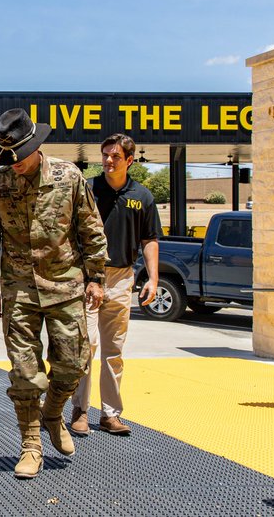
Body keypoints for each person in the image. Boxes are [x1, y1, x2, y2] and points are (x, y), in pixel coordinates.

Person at [0, 108, 107, 479]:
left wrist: (96, 278)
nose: (13, 163)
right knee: (25, 372)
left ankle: (53, 414)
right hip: (18, 290)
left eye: (19, 155)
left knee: (72, 366)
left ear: (36, 147)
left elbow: (91, 229)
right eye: (8, 157)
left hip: (65, 286)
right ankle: (31, 444)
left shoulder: (69, 177)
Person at [70, 133, 161, 437]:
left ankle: (110, 414)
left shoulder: (143, 197)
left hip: (122, 278)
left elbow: (149, 239)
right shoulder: (88, 189)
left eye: (116, 156)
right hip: (87, 278)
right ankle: (80, 410)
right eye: (106, 155)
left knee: (114, 350)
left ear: (130, 160)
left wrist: (153, 277)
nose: (109, 161)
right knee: (87, 345)